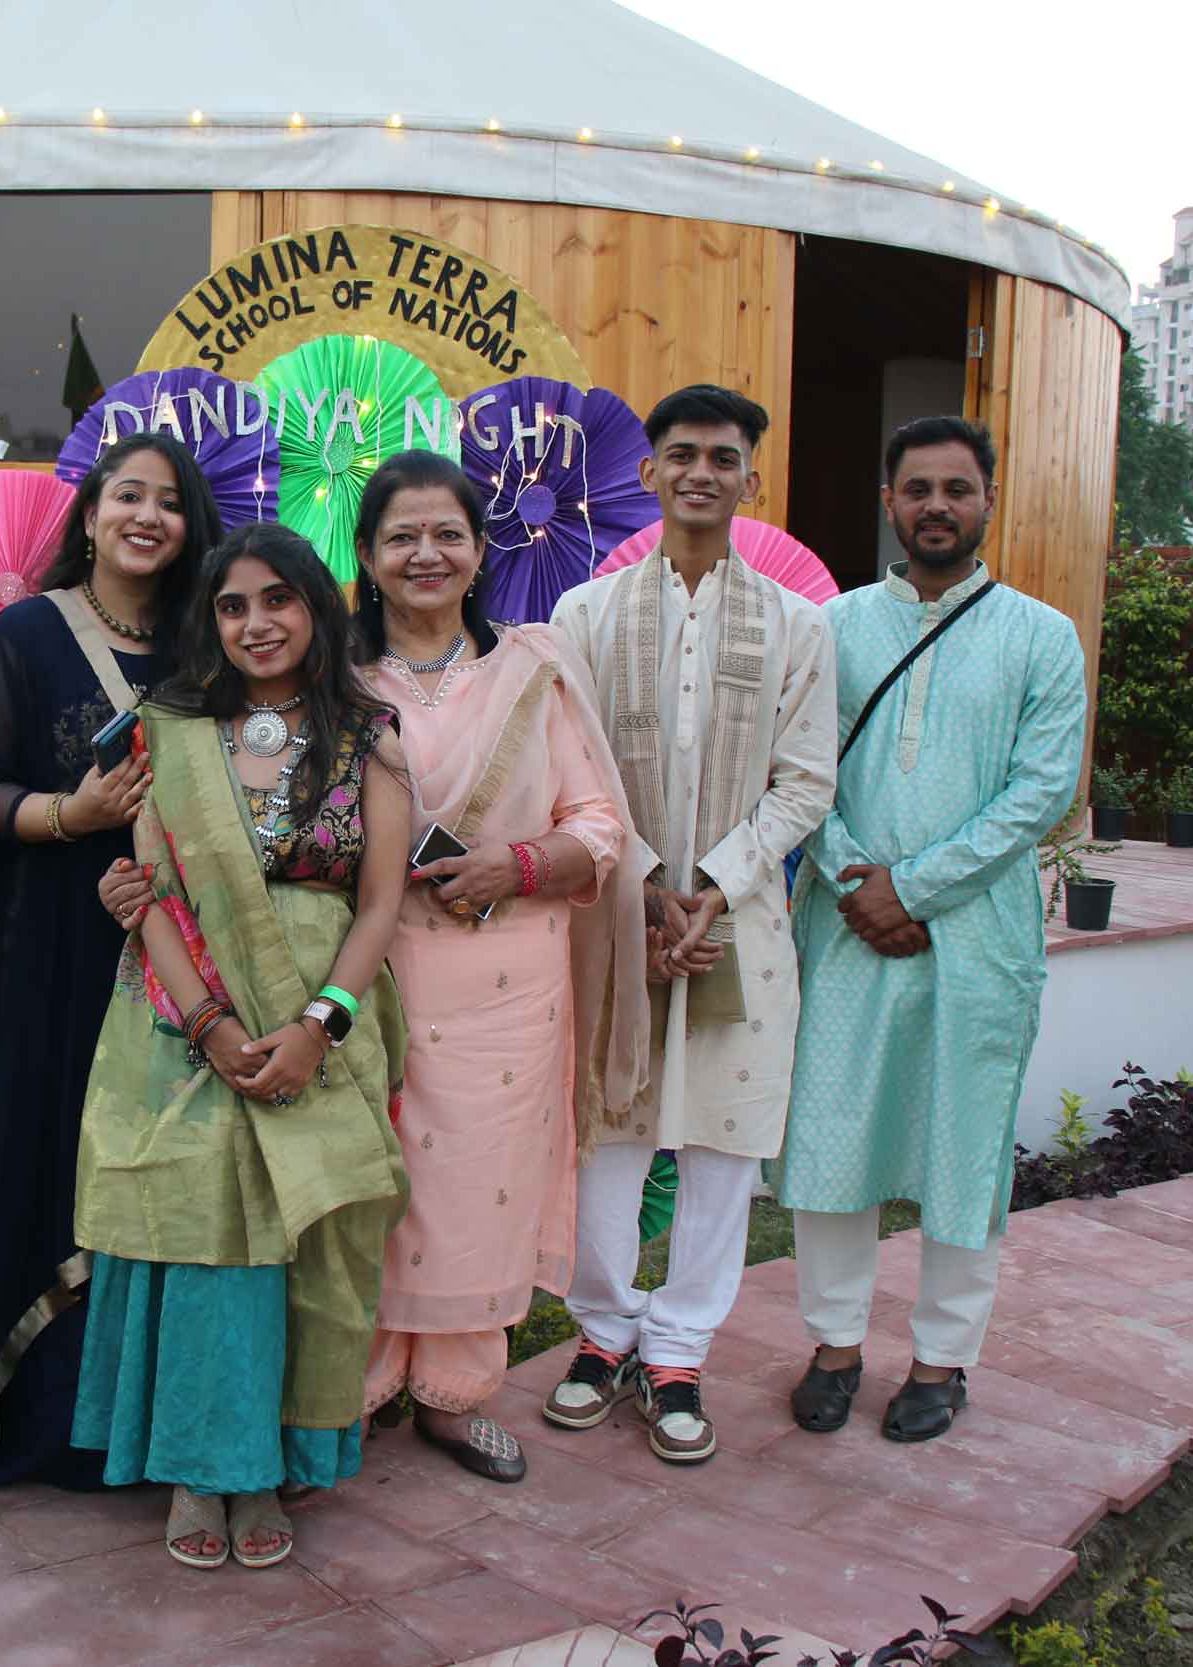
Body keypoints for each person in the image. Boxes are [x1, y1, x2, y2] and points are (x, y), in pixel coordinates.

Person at [73, 522, 413, 1570]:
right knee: (200, 1231)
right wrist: (211, 1023)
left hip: (324, 1017)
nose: (256, 623)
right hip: (183, 1015)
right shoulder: (166, 732)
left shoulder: (369, 735)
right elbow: (151, 892)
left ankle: (266, 1463)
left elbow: (380, 904)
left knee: (304, 1239)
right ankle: (197, 1464)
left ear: (317, 607)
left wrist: (318, 1026)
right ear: (208, 623)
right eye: (232, 606)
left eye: (278, 599)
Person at [0, 432, 224, 1489]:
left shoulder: (210, 640)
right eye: (127, 495)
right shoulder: (30, 632)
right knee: (42, 1148)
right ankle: (23, 1413)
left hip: (176, 941)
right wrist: (65, 815)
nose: (146, 516)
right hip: (45, 942)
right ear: (89, 515)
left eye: (168, 501)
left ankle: (135, 1421)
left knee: (159, 1160)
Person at [773, 415, 1085, 1443]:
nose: (937, 506)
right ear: (890, 502)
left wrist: (911, 888)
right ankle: (833, 1345)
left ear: (988, 499)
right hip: (844, 925)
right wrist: (856, 879)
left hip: (977, 938)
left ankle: (943, 1360)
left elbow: (1041, 791)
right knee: (831, 1134)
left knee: (966, 1145)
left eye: (957, 487)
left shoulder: (1042, 635)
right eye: (918, 488)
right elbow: (798, 769)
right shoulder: (833, 627)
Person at [544, 385, 838, 1464]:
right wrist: (644, 879)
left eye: (722, 457)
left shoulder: (800, 625)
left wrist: (713, 881)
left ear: (750, 477)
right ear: (650, 473)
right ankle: (602, 1331)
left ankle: (677, 1350)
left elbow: (806, 782)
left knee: (722, 1141)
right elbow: (568, 767)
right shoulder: (584, 615)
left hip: (737, 919)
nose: (700, 472)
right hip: (617, 911)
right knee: (608, 1128)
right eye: (681, 454)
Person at [350, 450, 646, 1482]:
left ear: (480, 551)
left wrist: (514, 865)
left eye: (447, 534)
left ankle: (455, 1393)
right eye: (402, 536)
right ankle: (353, 1389)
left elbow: (599, 823)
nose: (425, 553)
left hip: (509, 982)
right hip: (372, 973)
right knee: (370, 1176)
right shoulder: (334, 680)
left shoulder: (534, 669)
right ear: (367, 556)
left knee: (482, 1181)